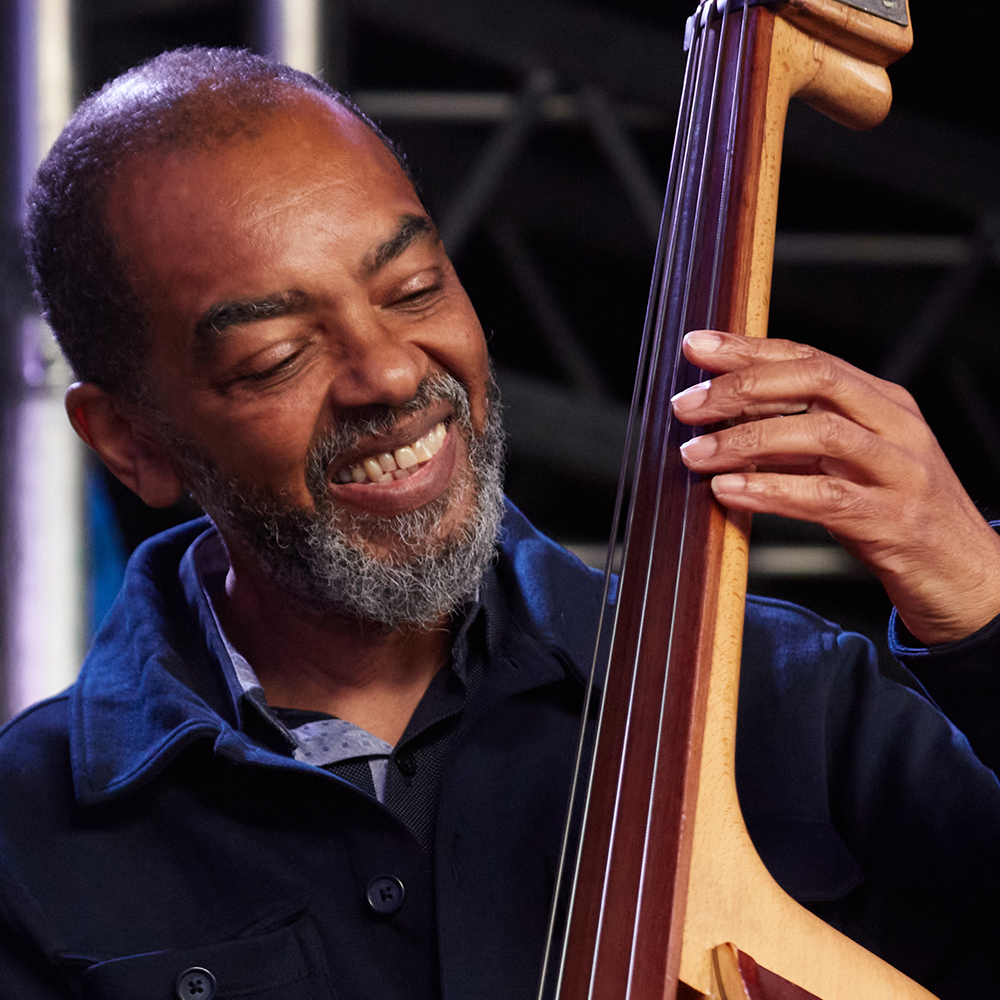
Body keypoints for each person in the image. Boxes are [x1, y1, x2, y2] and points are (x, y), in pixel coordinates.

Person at [2, 46, 1000, 1000]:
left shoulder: (790, 696)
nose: (391, 373)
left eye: (414, 289)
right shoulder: (24, 845)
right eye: (275, 358)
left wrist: (984, 605)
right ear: (131, 442)